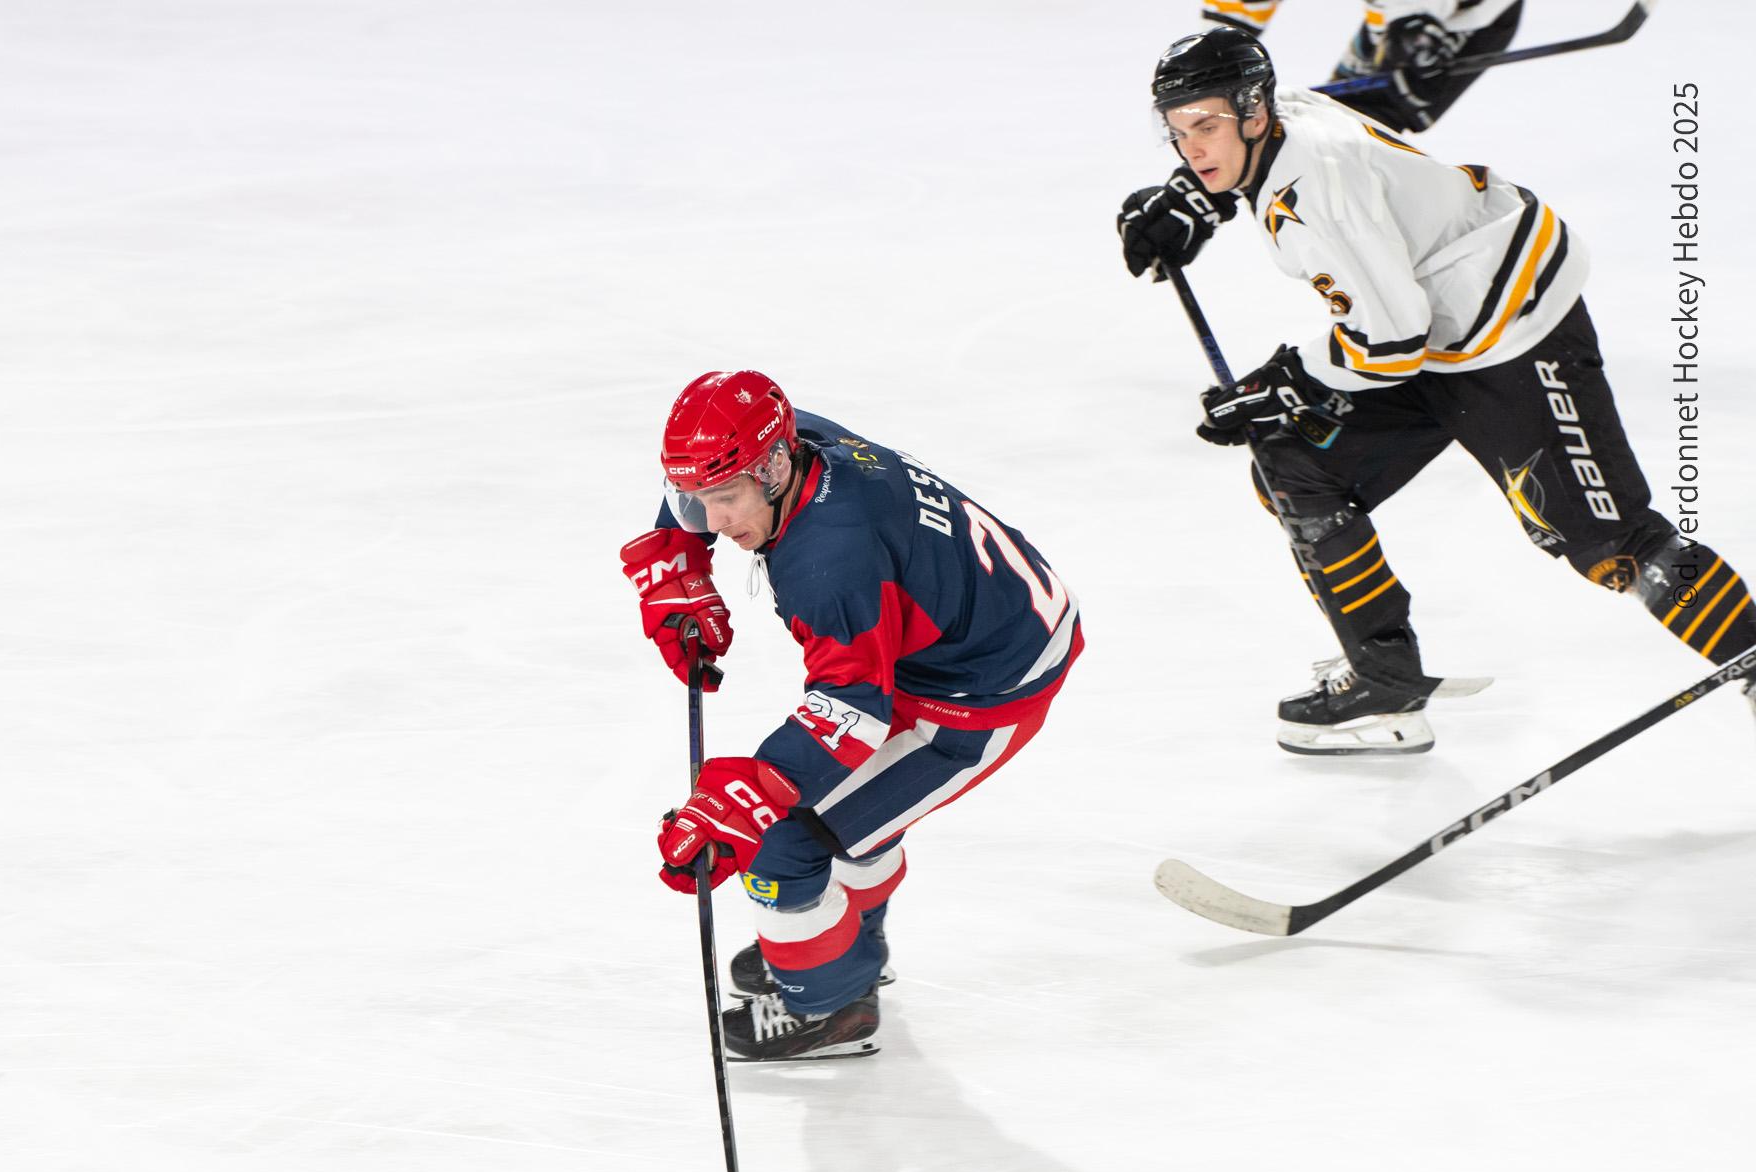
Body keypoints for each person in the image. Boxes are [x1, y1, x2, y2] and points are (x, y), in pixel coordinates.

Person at [1116, 29, 1755, 755]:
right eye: (1179, 133)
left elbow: (1388, 343)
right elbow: (1396, 331)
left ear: (1253, 113)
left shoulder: (1316, 193)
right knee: (1295, 461)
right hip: (1436, 328)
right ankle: (1383, 681)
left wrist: (1286, 380)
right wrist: (1194, 200)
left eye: (1207, 126)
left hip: (1515, 329)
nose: (1193, 148)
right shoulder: (1286, 111)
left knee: (1613, 544)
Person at [622, 371, 1081, 1060]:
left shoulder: (829, 561)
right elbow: (697, 486)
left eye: (724, 501)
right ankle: (848, 943)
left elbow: (850, 710)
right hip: (961, 635)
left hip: (981, 695)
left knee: (782, 841)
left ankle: (830, 1005)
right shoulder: (796, 437)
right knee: (853, 816)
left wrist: (747, 795)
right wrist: (679, 550)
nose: (712, 521)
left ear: (774, 469)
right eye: (696, 502)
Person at [1202, 1, 1523, 132]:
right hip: (1400, 18)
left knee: (1352, 131)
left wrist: (1413, 18)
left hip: (1462, 12)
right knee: (1329, 130)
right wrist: (1215, 53)